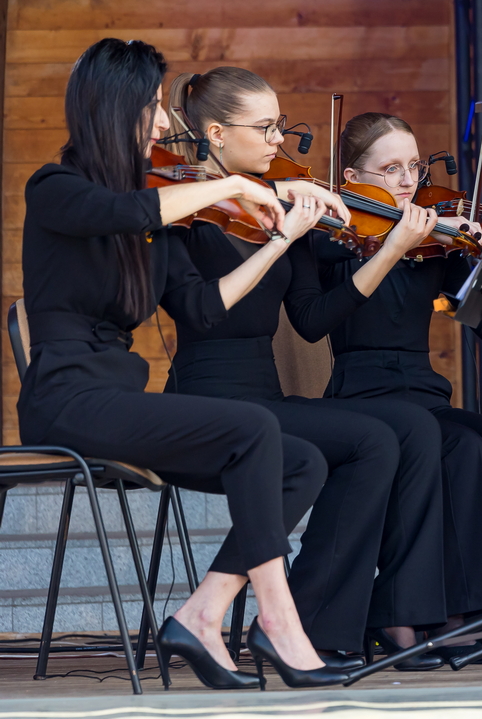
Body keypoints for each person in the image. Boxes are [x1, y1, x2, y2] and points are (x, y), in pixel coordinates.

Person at [18, 38, 345, 689]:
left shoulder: (157, 221)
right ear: (114, 111)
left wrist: (280, 240)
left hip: (120, 399)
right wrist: (224, 183)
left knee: (301, 459)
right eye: (154, 107)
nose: (167, 122)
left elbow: (204, 308)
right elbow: (117, 210)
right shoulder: (57, 188)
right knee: (255, 428)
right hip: (65, 400)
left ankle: (205, 611)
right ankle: (281, 621)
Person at [161, 69, 450, 670]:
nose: (280, 141)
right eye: (266, 127)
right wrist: (277, 239)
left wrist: (386, 247)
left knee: (396, 431)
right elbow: (202, 314)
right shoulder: (183, 213)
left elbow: (315, 319)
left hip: (265, 396)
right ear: (215, 133)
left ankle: (319, 625)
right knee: (366, 440)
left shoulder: (276, 203)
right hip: (206, 398)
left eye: (281, 126)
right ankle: (299, 624)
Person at [317, 112, 482, 660]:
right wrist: (392, 243)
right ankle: (420, 615)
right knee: (457, 444)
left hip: (422, 393)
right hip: (362, 395)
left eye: (413, 165)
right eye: (390, 169)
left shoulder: (434, 239)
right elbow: (320, 316)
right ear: (352, 177)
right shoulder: (336, 237)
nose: (408, 180)